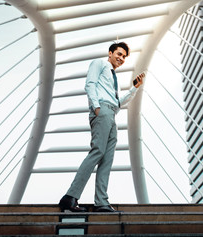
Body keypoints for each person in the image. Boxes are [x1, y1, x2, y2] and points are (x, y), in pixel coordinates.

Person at [59, 42, 145, 212]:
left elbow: (118, 103)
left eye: (124, 57)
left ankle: (101, 202)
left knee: (107, 159)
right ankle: (70, 197)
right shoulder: (99, 63)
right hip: (102, 111)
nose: (121, 58)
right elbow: (90, 84)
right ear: (110, 53)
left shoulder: (115, 80)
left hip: (112, 114)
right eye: (119, 54)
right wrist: (96, 106)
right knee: (97, 151)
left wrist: (134, 89)